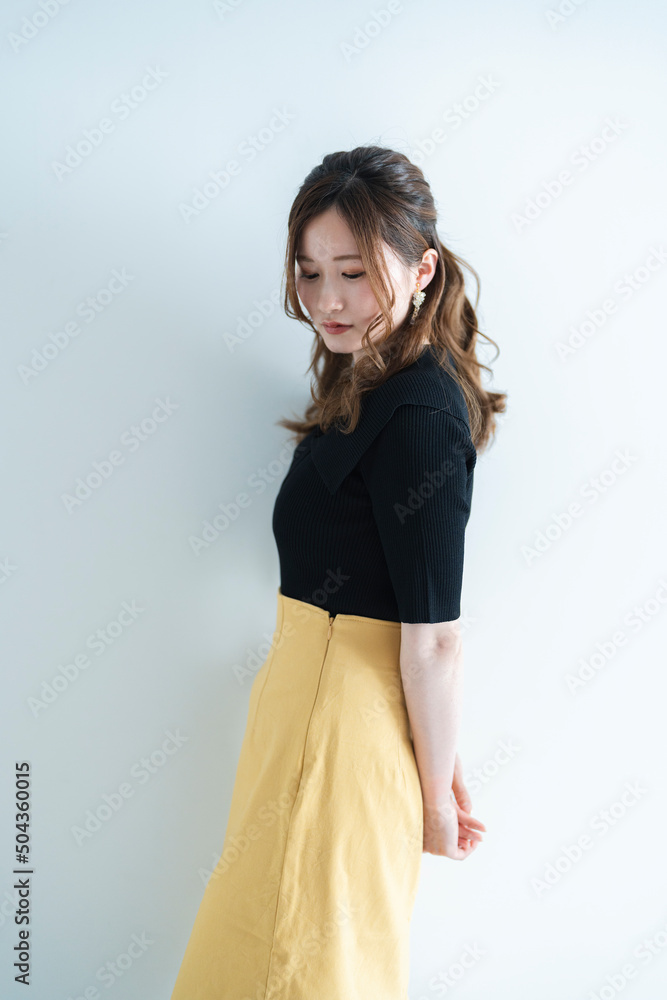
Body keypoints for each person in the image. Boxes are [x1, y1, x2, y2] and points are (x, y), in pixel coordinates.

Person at [170, 144, 506, 1000]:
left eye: (353, 273)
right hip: (304, 718)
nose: (326, 300)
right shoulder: (370, 385)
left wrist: (436, 800)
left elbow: (433, 642)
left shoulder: (421, 415)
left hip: (338, 737)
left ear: (422, 270)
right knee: (273, 956)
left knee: (298, 966)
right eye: (310, 271)